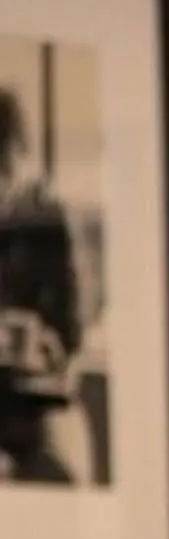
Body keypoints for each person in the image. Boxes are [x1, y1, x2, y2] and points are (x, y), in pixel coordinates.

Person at [0, 87, 81, 484]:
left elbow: (68, 326)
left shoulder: (43, 222)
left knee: (64, 467)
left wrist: (47, 340)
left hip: (28, 407)